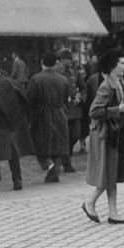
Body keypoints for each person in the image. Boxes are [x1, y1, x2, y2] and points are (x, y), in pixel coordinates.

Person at [83, 50, 124, 225]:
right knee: (108, 173)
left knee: (112, 173)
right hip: (106, 136)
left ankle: (113, 212)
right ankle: (90, 202)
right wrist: (117, 110)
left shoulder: (122, 83)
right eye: (121, 63)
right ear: (113, 66)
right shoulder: (106, 86)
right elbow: (94, 111)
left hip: (116, 134)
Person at [0, 54, 32, 192]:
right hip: (11, 122)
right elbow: (24, 100)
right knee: (13, 153)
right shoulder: (10, 82)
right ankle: (17, 179)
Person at [28, 52, 71, 184]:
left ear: (42, 62)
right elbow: (66, 98)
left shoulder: (36, 79)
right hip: (59, 113)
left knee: (40, 142)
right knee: (58, 144)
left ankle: (48, 165)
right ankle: (54, 170)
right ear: (55, 63)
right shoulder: (63, 79)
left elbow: (30, 98)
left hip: (41, 114)